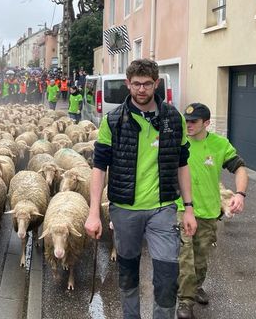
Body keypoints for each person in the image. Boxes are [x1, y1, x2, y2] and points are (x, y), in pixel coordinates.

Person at [84, 59, 197, 319]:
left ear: (156, 83)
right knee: (128, 273)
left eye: (147, 84)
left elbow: (182, 164)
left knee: (168, 278)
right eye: (136, 84)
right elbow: (99, 167)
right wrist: (93, 212)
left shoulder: (173, 118)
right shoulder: (113, 121)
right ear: (128, 84)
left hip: (163, 208)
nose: (142, 89)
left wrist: (189, 208)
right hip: (125, 210)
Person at [175, 103, 248, 319]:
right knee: (185, 258)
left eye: (193, 122)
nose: (188, 125)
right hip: (181, 209)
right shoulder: (178, 142)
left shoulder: (219, 145)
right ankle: (185, 303)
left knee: (200, 259)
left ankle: (195, 287)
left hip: (208, 212)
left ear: (206, 123)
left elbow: (240, 169)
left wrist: (240, 194)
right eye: (186, 121)